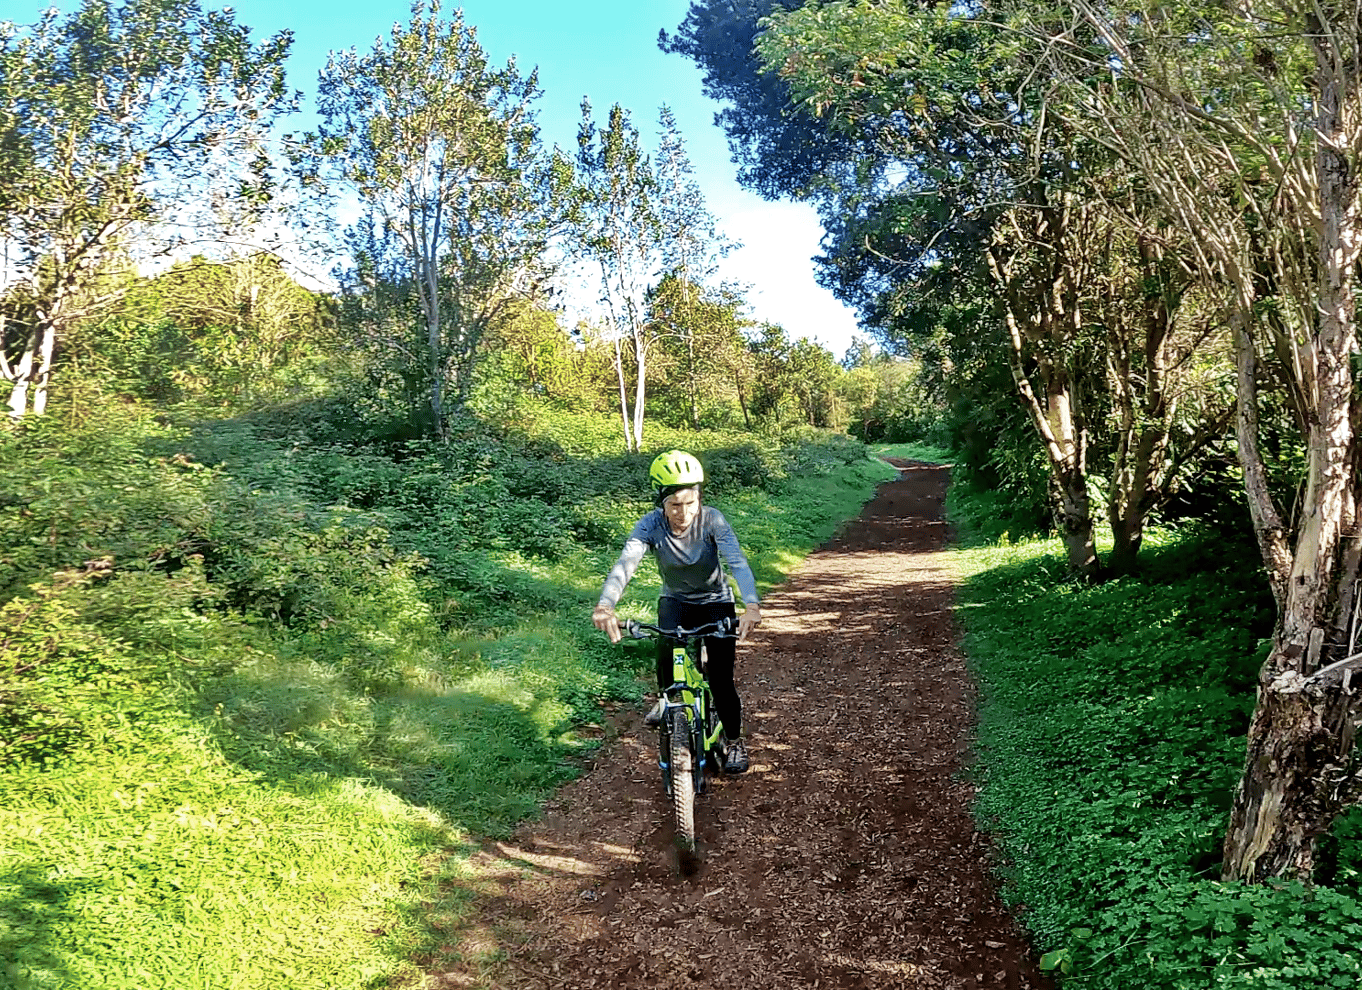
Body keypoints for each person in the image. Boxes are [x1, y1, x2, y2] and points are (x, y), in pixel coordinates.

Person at [592, 449, 762, 774]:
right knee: (666, 655)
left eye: (690, 503)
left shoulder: (713, 519)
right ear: (661, 503)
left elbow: (736, 561)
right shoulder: (651, 525)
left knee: (722, 681)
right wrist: (605, 605)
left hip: (716, 602)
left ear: (699, 498)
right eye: (674, 505)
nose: (683, 513)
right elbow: (626, 564)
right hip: (676, 601)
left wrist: (751, 605)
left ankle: (735, 739)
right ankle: (667, 700)